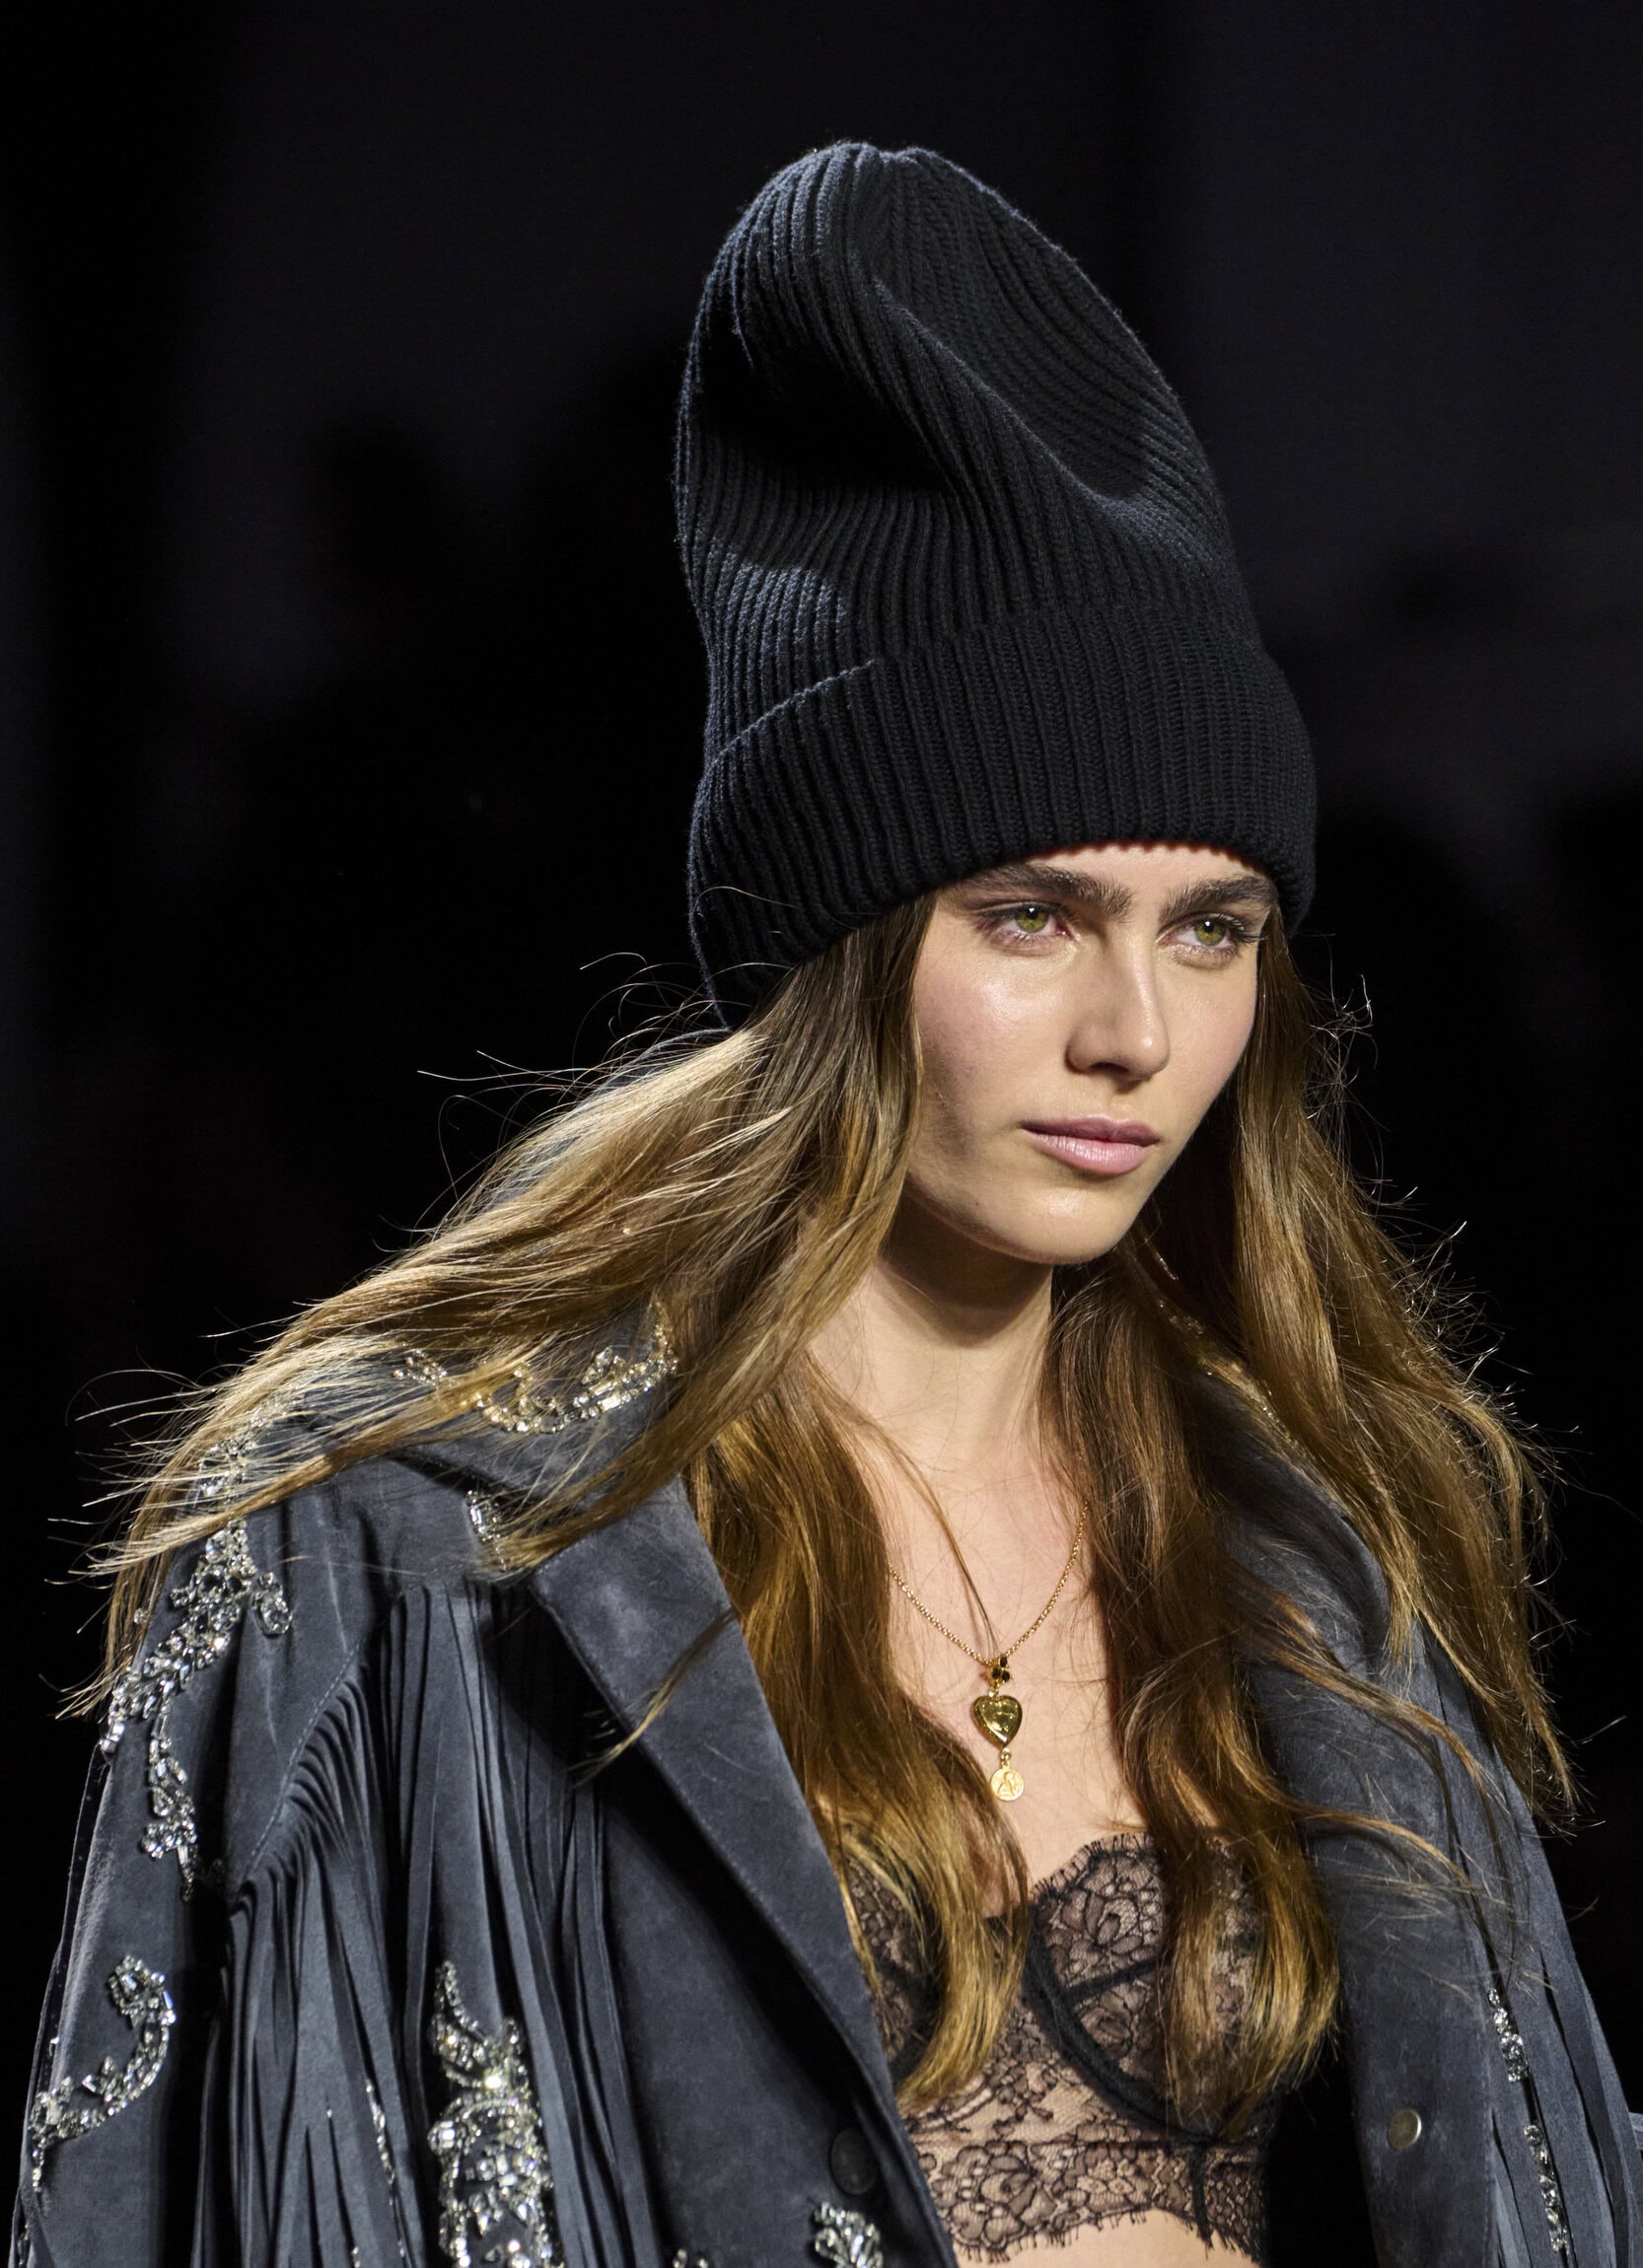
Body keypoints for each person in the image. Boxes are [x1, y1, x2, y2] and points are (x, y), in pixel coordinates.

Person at [13, 142, 1639, 2268]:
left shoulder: (1307, 1527)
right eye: (1030, 916)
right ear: (841, 947)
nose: (1136, 1033)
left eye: (1214, 927)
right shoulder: (412, 1556)